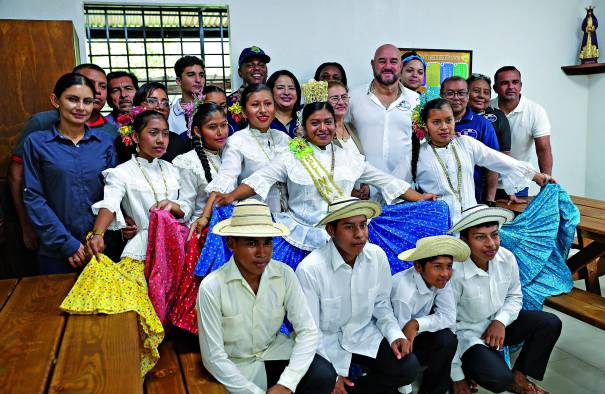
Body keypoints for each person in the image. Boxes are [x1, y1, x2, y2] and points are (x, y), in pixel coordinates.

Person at [197, 81, 446, 276]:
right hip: (299, 237)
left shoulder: (349, 157)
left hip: (345, 236)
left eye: (328, 122)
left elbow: (388, 182)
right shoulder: (290, 155)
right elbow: (259, 179)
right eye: (315, 123)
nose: (323, 128)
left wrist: (420, 197)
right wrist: (229, 196)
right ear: (303, 126)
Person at [60, 109, 187, 376]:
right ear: (135, 137)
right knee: (138, 307)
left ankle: (174, 368)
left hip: (176, 247)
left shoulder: (174, 169)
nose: (161, 140)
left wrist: (175, 206)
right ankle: (135, 371)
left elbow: (186, 204)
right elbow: (110, 204)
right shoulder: (121, 172)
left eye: (165, 133)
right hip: (142, 245)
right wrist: (98, 233)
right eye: (153, 133)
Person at [197, 199, 336, 394]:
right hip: (236, 368)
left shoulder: (284, 275)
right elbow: (213, 357)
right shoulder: (212, 287)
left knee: (323, 374)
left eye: (267, 242)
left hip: (274, 353)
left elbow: (308, 331)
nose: (261, 253)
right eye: (251, 243)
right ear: (231, 244)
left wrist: (287, 383)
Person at [296, 197, 420, 394]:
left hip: (363, 335)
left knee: (408, 366)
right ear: (331, 230)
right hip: (327, 344)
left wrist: (394, 334)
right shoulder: (310, 270)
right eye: (349, 227)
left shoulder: (377, 256)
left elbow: (381, 305)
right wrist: (335, 377)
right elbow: (310, 331)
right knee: (323, 378)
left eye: (363, 225)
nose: (360, 235)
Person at [448, 205, 562, 394]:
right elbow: (447, 326)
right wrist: (456, 375)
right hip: (467, 335)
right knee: (499, 380)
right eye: (480, 237)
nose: (491, 244)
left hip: (498, 326)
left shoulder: (506, 258)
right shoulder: (454, 272)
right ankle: (470, 367)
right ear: (464, 241)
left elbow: (514, 296)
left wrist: (500, 321)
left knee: (549, 323)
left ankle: (519, 375)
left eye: (494, 234)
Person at [8, 63, 117, 252]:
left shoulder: (105, 141)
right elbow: (33, 196)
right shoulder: (37, 142)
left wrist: (98, 235)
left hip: (100, 244)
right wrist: (68, 244)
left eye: (87, 101)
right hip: (55, 244)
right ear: (55, 100)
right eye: (73, 99)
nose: (81, 107)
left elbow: (113, 191)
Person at [409, 98, 552, 223]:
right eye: (436, 122)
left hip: (472, 221)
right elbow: (399, 185)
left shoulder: (465, 143)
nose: (444, 127)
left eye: (449, 120)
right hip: (436, 223)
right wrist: (419, 197)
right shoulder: (417, 154)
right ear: (425, 126)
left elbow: (499, 160)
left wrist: (535, 175)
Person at [168, 102, 228, 334]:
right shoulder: (188, 162)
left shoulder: (230, 155)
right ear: (196, 131)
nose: (221, 132)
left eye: (224, 125)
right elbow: (187, 204)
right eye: (213, 127)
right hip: (205, 236)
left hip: (232, 230)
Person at [391, 235, 470, 394]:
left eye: (449, 266)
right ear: (418, 266)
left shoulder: (441, 281)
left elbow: (448, 317)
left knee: (447, 339)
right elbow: (400, 340)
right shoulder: (404, 292)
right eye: (437, 266)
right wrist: (404, 384)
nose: (445, 273)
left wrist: (417, 324)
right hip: (391, 342)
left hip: (414, 334)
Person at [205, 83, 290, 213]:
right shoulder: (237, 141)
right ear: (244, 111)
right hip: (253, 217)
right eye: (255, 105)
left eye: (268, 104)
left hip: (287, 216)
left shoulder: (283, 138)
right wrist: (206, 215)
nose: (263, 110)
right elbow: (227, 176)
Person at [349, 44, 419, 199]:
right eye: (382, 61)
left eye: (393, 61)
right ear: (372, 64)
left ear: (400, 66)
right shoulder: (353, 97)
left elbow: (420, 146)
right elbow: (341, 139)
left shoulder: (416, 101)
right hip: (364, 191)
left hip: (404, 192)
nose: (388, 66)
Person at [491, 66, 553, 201]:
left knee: (517, 220)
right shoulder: (486, 109)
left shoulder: (535, 111)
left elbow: (543, 149)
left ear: (521, 85)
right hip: (486, 183)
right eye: (504, 83)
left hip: (517, 183)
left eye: (515, 82)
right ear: (495, 88)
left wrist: (546, 184)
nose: (511, 87)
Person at [440, 76, 500, 203]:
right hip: (437, 197)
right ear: (441, 95)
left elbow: (493, 164)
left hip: (472, 199)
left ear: (467, 96)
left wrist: (490, 200)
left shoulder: (483, 125)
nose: (456, 98)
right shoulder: (431, 122)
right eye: (450, 93)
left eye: (461, 93)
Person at [328, 80, 367, 199]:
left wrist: (366, 184)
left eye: (344, 97)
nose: (341, 102)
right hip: (336, 201)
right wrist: (348, 191)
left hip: (359, 201)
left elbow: (360, 163)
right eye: (335, 98)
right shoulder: (322, 133)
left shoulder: (352, 127)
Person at [227, 46, 271, 132]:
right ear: (240, 72)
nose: (257, 68)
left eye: (261, 65)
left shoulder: (276, 99)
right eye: (250, 65)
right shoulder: (229, 103)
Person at [467, 73, 511, 156]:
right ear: (465, 92)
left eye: (486, 92)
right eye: (476, 91)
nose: (481, 96)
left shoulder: (499, 116)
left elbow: (505, 154)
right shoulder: (455, 115)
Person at [169, 55, 206, 136]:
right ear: (179, 81)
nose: (198, 80)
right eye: (191, 75)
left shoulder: (212, 109)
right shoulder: (169, 115)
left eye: (201, 75)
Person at [266, 70, 302, 137]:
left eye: (291, 88)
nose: (286, 92)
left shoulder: (305, 120)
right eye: (280, 88)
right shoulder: (263, 119)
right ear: (270, 91)